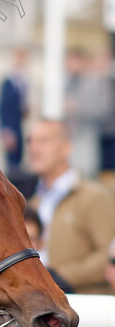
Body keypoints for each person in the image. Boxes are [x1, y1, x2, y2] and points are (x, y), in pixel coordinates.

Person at [27, 119, 115, 294]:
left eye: (43, 141)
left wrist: (61, 276)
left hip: (87, 310)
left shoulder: (95, 197)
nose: (34, 148)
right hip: (45, 307)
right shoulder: (32, 202)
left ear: (66, 148)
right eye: (30, 141)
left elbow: (108, 254)